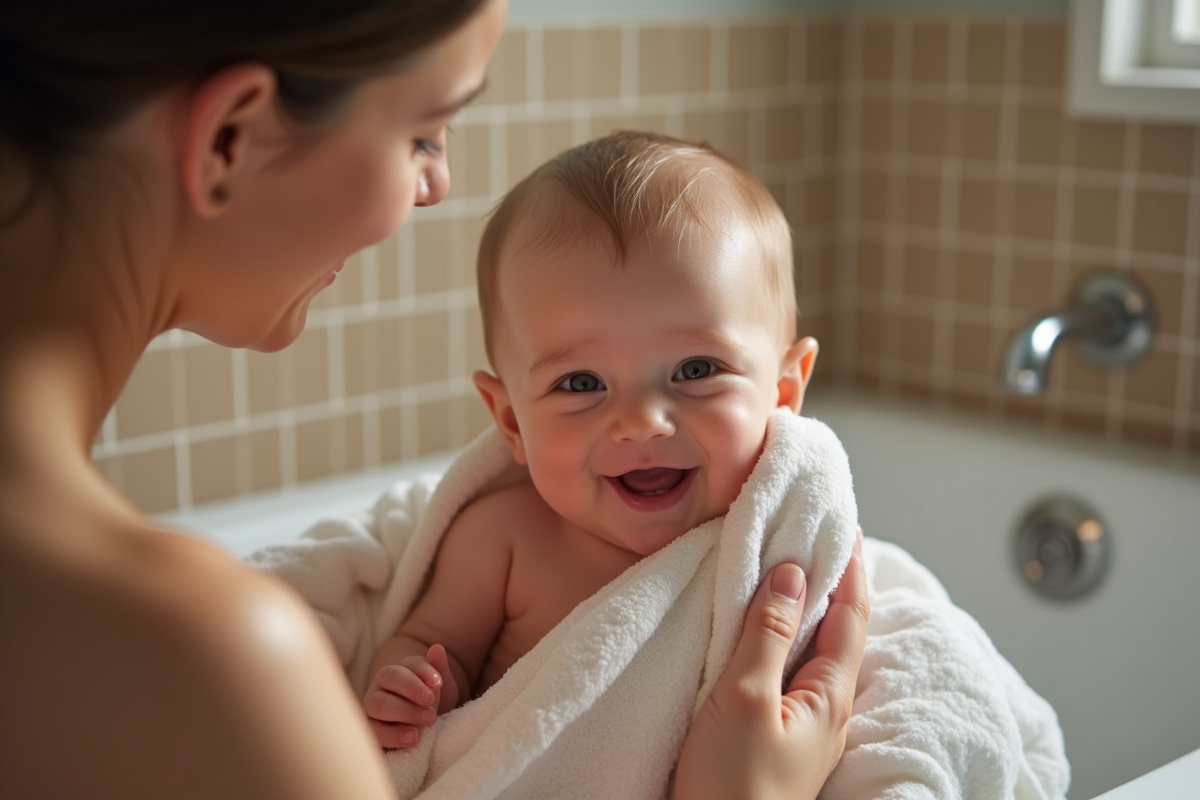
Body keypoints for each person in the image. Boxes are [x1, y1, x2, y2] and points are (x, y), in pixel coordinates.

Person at [0, 1, 868, 797]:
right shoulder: (204, 663)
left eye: (694, 370)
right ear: (232, 135)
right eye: (425, 131)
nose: (437, 183)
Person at [366, 131, 861, 779]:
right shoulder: (504, 539)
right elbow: (432, 647)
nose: (641, 423)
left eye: (695, 368)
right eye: (581, 384)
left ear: (784, 389)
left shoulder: (780, 546)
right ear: (512, 420)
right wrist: (412, 685)